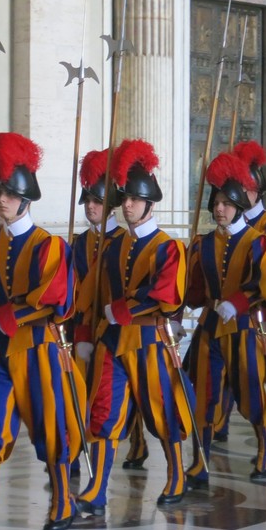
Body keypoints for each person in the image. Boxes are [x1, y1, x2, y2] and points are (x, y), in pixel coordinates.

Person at [0, 131, 85, 530]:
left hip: (37, 350)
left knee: (49, 428)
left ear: (25, 198)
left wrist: (7, 316)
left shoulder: (49, 245)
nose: (0, 201)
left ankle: (63, 500)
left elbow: (56, 300)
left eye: (9, 194)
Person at [75, 139, 196, 506]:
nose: (126, 205)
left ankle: (176, 476)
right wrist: (86, 328)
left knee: (162, 410)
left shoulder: (167, 246)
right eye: (123, 198)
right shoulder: (112, 246)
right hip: (113, 341)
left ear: (149, 203)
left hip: (149, 340)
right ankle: (97, 490)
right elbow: (92, 293)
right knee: (104, 411)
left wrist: (124, 310)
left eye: (133, 199)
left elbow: (167, 294)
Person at [182, 153, 266, 485]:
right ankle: (200, 460)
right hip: (210, 327)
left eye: (226, 203)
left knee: (250, 392)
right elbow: (194, 289)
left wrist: (238, 302)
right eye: (216, 202)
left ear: (239, 205)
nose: (219, 209)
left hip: (244, 328)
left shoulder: (259, 242)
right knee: (205, 394)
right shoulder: (204, 243)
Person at [70, 148, 125, 516]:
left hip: (120, 334)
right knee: (78, 399)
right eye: (87, 200)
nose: (91, 207)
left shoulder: (122, 240)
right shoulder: (78, 242)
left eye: (96, 201)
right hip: (85, 334)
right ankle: (76, 459)